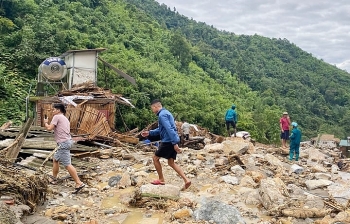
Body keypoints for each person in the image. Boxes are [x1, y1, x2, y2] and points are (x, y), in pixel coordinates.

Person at [141, 99, 191, 190]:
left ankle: (161, 179)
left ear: (155, 106)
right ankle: (186, 180)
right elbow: (161, 129)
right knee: (171, 162)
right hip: (172, 139)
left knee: (155, 158)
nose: (152, 110)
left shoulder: (162, 115)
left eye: (152, 108)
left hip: (168, 141)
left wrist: (175, 143)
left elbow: (169, 129)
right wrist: (150, 133)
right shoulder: (166, 113)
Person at [44, 103, 85, 194]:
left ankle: (79, 183)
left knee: (67, 164)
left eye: (54, 109)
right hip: (66, 142)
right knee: (55, 159)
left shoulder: (57, 117)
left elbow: (49, 128)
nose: (53, 111)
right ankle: (54, 179)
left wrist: (46, 122)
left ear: (58, 110)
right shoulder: (65, 118)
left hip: (63, 143)